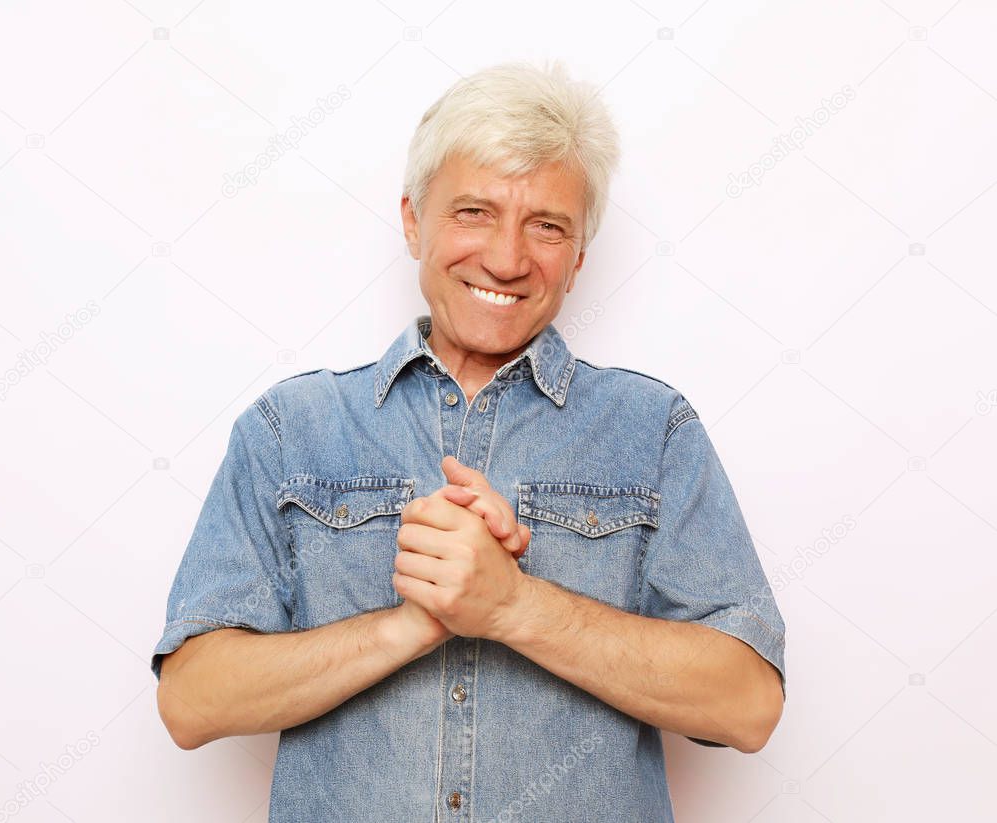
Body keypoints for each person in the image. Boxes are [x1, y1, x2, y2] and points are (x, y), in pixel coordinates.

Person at [151, 58, 786, 823]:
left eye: (546, 226)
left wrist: (513, 604)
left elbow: (747, 705)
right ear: (414, 221)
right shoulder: (293, 430)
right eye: (474, 212)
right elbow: (191, 701)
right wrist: (412, 622)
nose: (507, 258)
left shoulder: (652, 431)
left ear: (578, 256)